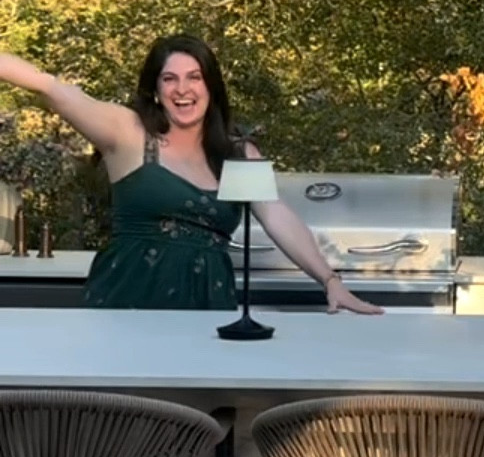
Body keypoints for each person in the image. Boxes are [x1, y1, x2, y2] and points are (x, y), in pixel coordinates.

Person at [0, 35, 383, 315]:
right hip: (126, 298)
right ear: (155, 89)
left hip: (207, 301)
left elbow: (277, 215)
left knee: (197, 420)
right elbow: (50, 87)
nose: (182, 90)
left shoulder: (237, 155)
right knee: (121, 418)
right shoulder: (128, 133)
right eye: (169, 79)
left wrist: (330, 281)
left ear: (211, 87)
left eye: (194, 77)